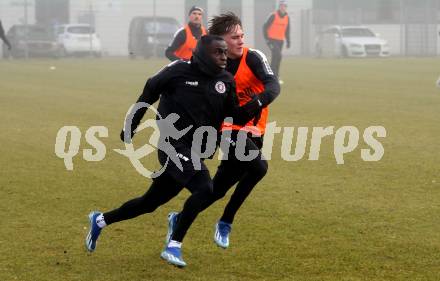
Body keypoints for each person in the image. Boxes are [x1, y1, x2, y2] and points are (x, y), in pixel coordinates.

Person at [85, 35, 262, 268]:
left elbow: (233, 116)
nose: (223, 57)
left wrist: (257, 104)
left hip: (197, 150)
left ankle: (100, 220)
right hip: (172, 145)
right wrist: (131, 125)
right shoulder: (178, 70)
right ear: (201, 54)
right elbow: (149, 91)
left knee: (149, 203)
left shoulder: (225, 80)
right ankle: (174, 245)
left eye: (224, 52)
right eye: (218, 52)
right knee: (204, 188)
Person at [166, 12, 280, 249]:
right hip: (227, 130)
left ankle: (179, 218)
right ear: (220, 40)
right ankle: (226, 221)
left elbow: (273, 86)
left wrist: (255, 104)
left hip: (253, 131)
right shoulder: (212, 65)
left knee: (217, 189)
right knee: (259, 167)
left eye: (242, 35)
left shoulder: (254, 57)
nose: (241, 41)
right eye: (235, 37)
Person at [263, 0, 290, 83]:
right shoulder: (273, 15)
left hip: (280, 41)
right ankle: (273, 76)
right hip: (271, 40)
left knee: (276, 58)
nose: (283, 7)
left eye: (285, 6)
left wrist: (288, 41)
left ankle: (272, 77)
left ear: (286, 7)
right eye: (282, 6)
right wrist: (267, 39)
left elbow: (287, 30)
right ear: (279, 6)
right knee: (278, 55)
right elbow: (264, 27)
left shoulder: (287, 18)